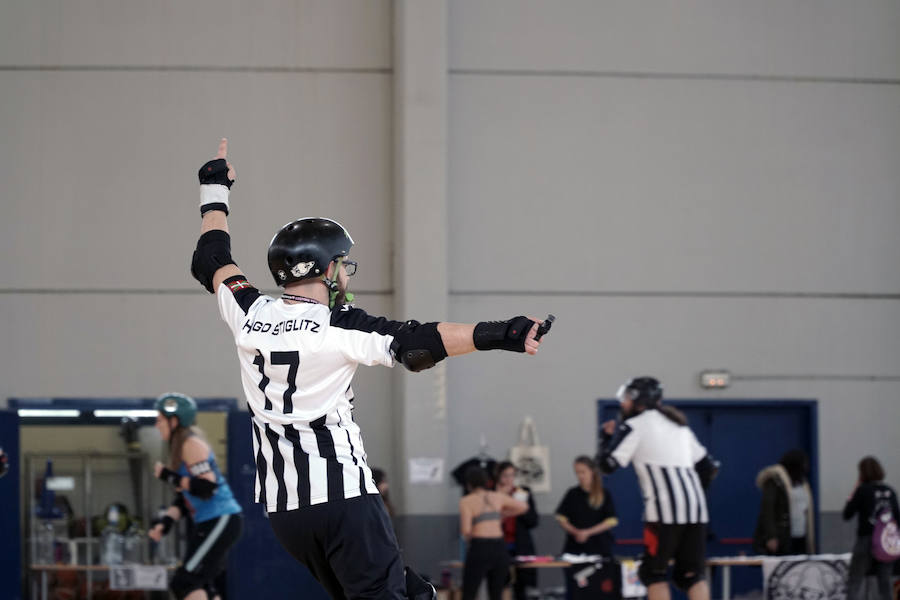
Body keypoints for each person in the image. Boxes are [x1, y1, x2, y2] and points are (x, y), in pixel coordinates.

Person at [188, 139, 547, 600]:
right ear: (325, 267)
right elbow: (419, 344)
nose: (347, 276)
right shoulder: (338, 326)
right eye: (343, 266)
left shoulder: (248, 309)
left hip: (286, 513)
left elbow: (211, 260)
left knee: (416, 593)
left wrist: (214, 186)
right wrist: (505, 333)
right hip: (343, 500)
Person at [597, 377, 716, 600]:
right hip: (696, 509)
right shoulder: (679, 426)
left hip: (664, 512)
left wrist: (605, 439)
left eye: (628, 398)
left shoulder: (635, 426)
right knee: (692, 575)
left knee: (653, 573)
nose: (623, 403)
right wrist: (689, 495)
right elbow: (708, 467)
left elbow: (607, 465)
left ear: (639, 401)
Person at [149, 392, 243, 600]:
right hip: (210, 521)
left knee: (185, 582)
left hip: (220, 518)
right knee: (202, 584)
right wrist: (164, 524)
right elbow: (184, 499)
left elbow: (207, 487)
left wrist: (169, 476)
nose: (157, 425)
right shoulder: (179, 448)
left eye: (160, 420)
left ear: (174, 421)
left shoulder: (190, 444)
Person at [459, 466, 529, 600]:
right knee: (496, 593)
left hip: (479, 546)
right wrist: (503, 514)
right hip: (499, 548)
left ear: (469, 483)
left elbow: (466, 530)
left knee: (469, 592)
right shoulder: (497, 497)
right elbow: (523, 507)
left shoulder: (466, 501)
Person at [555, 456, 618, 598]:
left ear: (592, 472)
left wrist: (588, 532)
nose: (580, 476)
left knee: (599, 590)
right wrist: (575, 531)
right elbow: (561, 517)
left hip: (599, 549)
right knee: (577, 590)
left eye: (583, 472)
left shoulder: (604, 494)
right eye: (577, 472)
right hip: (575, 550)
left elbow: (611, 520)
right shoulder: (572, 493)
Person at [843, 456, 899, 600]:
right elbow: (897, 518)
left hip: (866, 540)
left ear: (862, 473)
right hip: (885, 541)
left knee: (855, 581)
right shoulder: (890, 491)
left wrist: (855, 488)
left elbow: (847, 514)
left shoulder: (863, 490)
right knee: (885, 582)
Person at [752, 449, 815, 556]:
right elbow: (767, 509)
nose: (805, 467)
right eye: (803, 464)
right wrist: (771, 535)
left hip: (800, 534)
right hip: (782, 535)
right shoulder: (775, 480)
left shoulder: (802, 482)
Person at [495, 461, 539, 600]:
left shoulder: (522, 493)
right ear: (498, 476)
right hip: (499, 545)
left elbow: (533, 521)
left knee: (523, 587)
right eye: (505, 476)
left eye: (512, 475)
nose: (509, 480)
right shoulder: (492, 494)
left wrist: (518, 509)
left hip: (521, 545)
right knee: (499, 584)